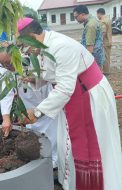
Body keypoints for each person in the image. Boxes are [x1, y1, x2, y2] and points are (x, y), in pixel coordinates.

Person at [15, 17, 122, 190]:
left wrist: (36, 112)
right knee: (70, 144)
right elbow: (50, 74)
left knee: (89, 146)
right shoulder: (42, 47)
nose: (25, 51)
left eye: (24, 45)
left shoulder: (60, 46)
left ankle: (96, 185)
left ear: (32, 37)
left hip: (88, 97)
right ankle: (74, 182)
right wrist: (32, 81)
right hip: (74, 97)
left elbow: (64, 88)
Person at [0, 58, 58, 168]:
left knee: (54, 136)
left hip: (47, 104)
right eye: (3, 65)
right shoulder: (5, 72)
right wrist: (6, 118)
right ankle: (41, 163)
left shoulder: (32, 61)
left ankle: (55, 165)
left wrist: (41, 110)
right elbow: (5, 94)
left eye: (8, 63)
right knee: (36, 137)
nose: (6, 66)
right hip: (28, 109)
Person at [97, 8, 112, 75]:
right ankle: (107, 71)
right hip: (109, 41)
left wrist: (99, 42)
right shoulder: (108, 19)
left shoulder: (103, 21)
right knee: (107, 57)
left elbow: (103, 33)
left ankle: (106, 72)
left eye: (97, 14)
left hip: (104, 42)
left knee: (105, 58)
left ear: (99, 14)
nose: (97, 16)